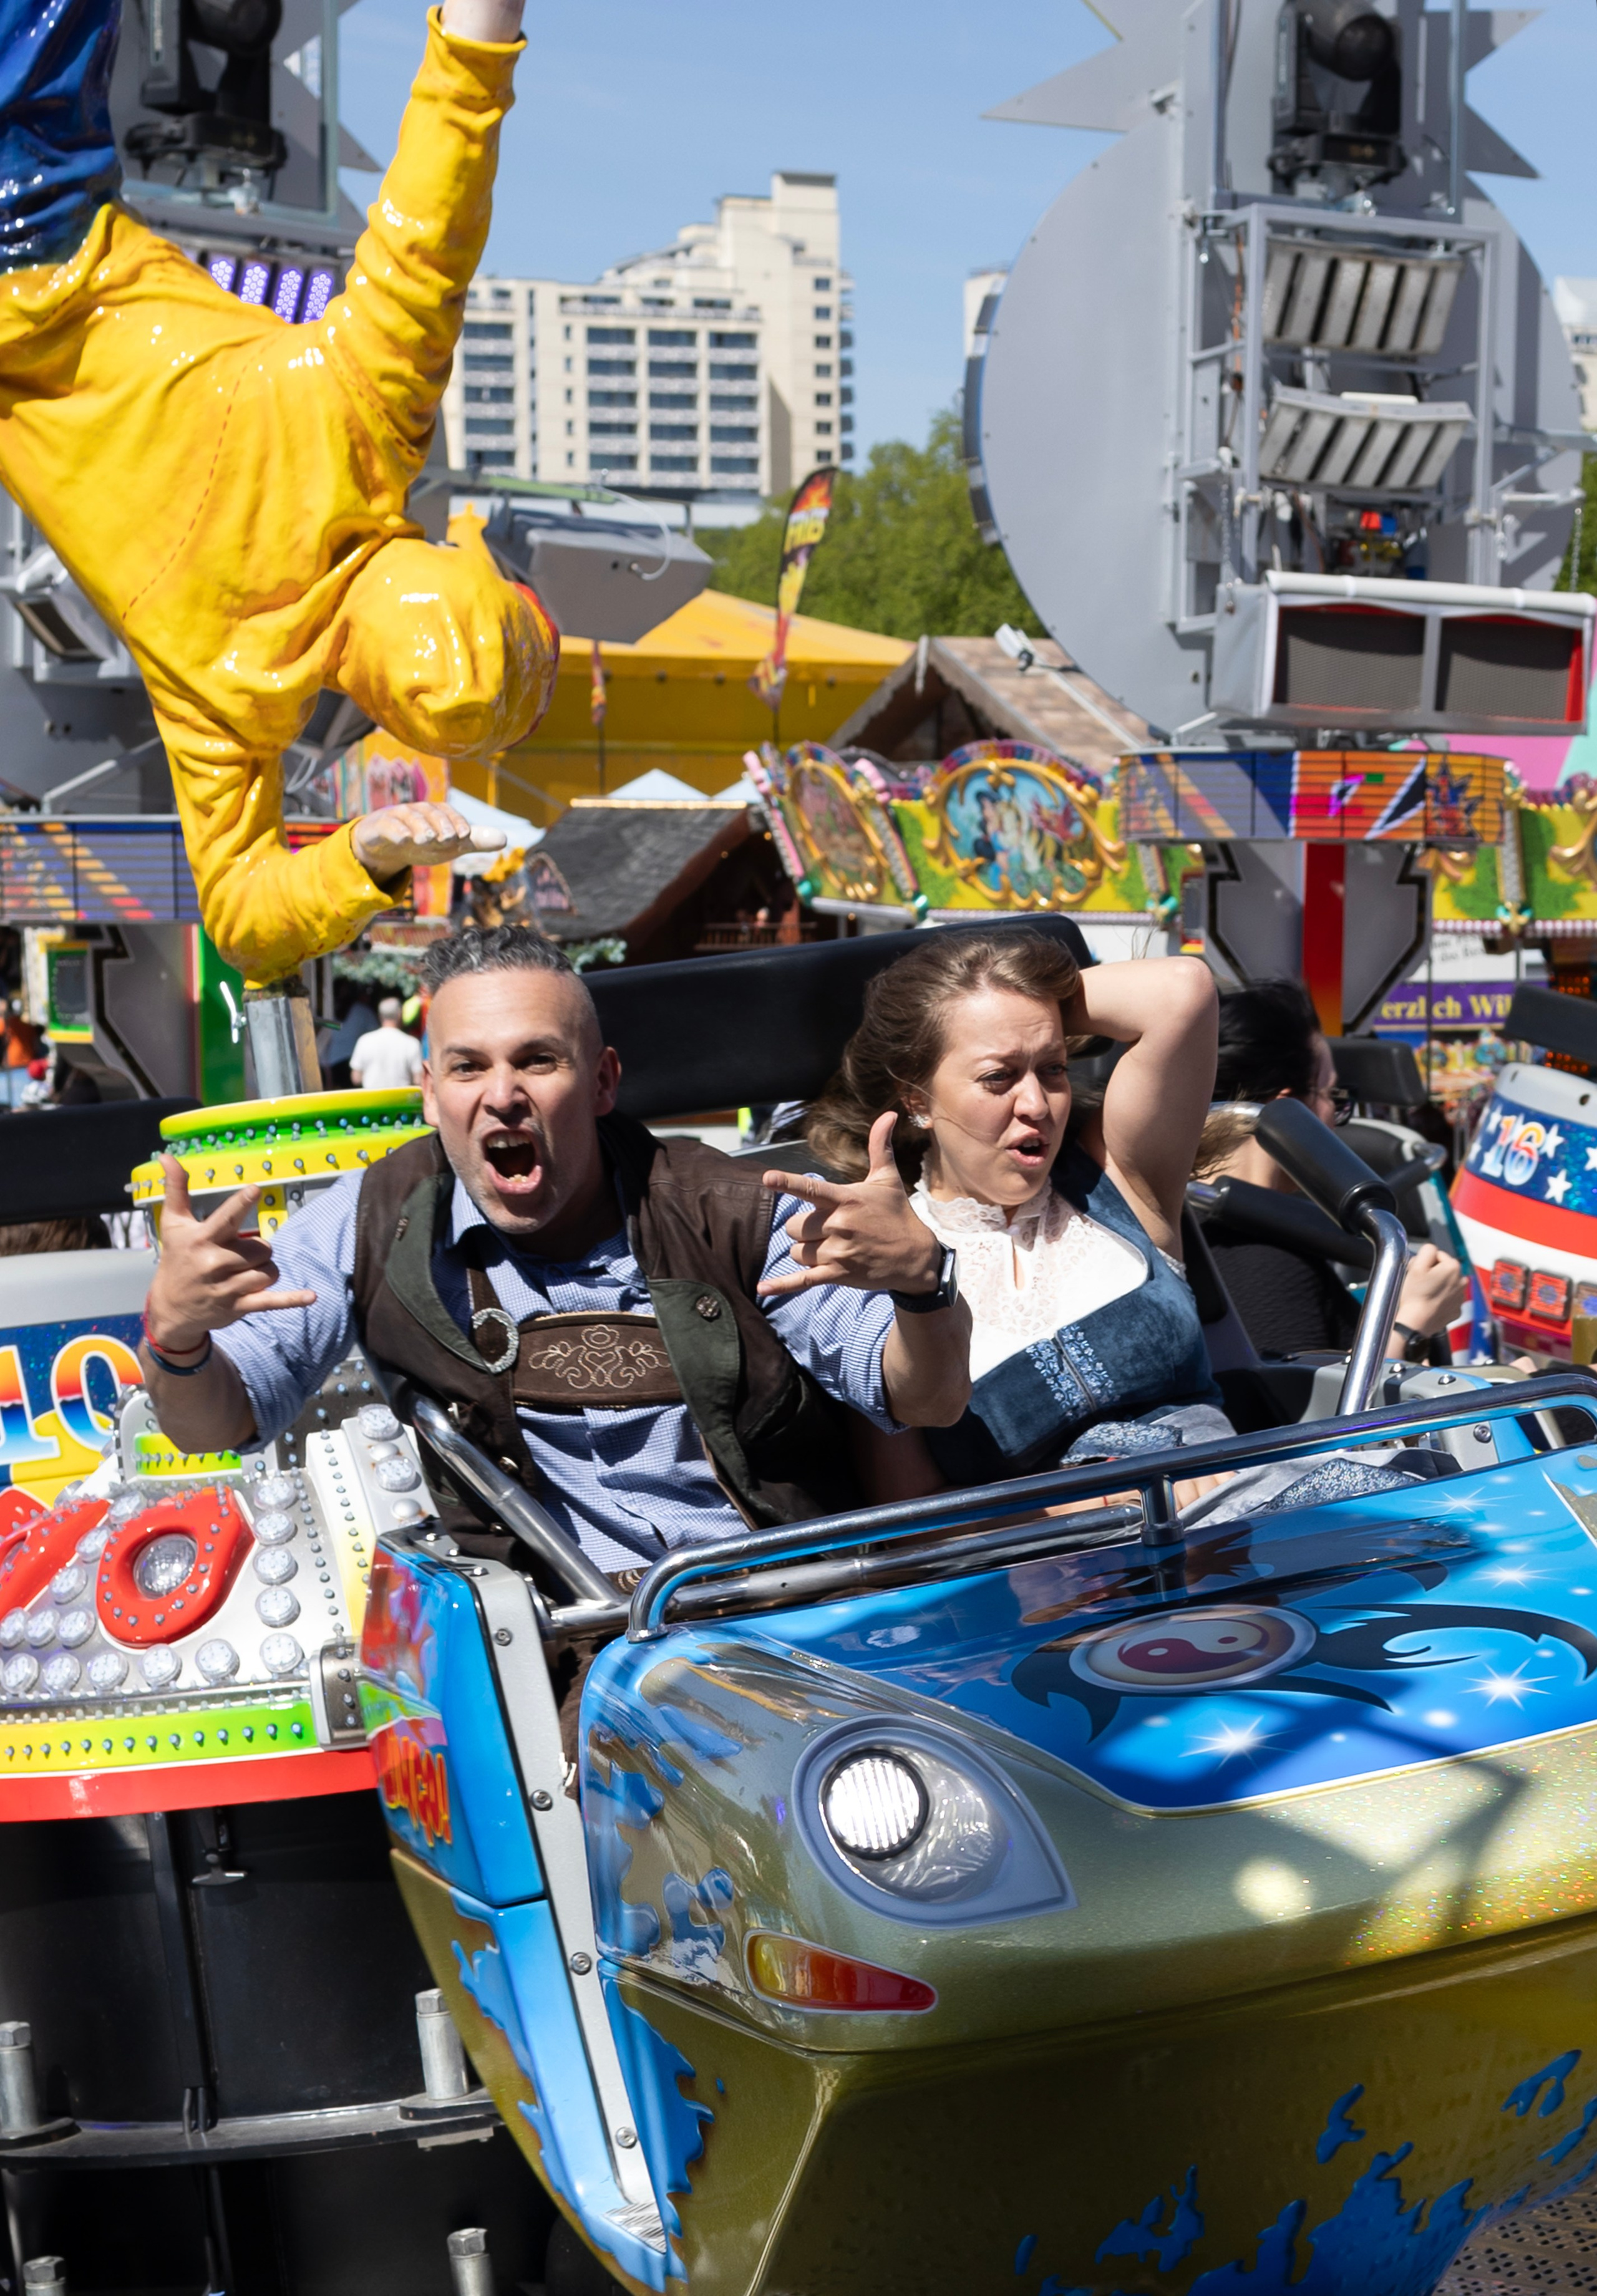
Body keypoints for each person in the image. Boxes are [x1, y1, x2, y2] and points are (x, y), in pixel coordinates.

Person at [0, 0, 555, 984]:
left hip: (35, 217)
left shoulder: (367, 418)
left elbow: (440, 196)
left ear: (446, 558)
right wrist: (361, 855)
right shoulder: (235, 696)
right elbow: (246, 918)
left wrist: (485, 24)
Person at [137, 926, 972, 1579]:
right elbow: (218, 1420)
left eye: (538, 1060)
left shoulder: (732, 1208)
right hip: (555, 1654)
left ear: (604, 1081)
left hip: (770, 1615)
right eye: (469, 1066)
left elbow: (923, 1399)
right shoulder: (373, 1220)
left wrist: (922, 1288)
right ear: (430, 1092)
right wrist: (176, 1339)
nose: (503, 1095)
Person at [805, 931, 1235, 1504]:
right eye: (998, 1077)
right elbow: (908, 1528)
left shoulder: (1121, 1182)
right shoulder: (885, 1265)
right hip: (1071, 1576)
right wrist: (1099, 1506)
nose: (1036, 1104)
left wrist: (1016, 1003)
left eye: (1052, 1068)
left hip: (1242, 1523)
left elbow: (1182, 990)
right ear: (917, 1099)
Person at [1198, 980, 1466, 1360]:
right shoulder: (1260, 1259)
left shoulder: (1193, 1225)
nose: (1336, 1122)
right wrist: (1410, 1320)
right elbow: (1307, 1418)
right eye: (1332, 1098)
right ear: (1293, 1115)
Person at [350, 999, 425, 1092]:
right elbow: (418, 1080)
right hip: (401, 1102)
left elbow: (356, 1078)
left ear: (380, 1016)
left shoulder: (364, 1041)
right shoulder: (412, 1043)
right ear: (399, 1015)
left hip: (372, 1101)